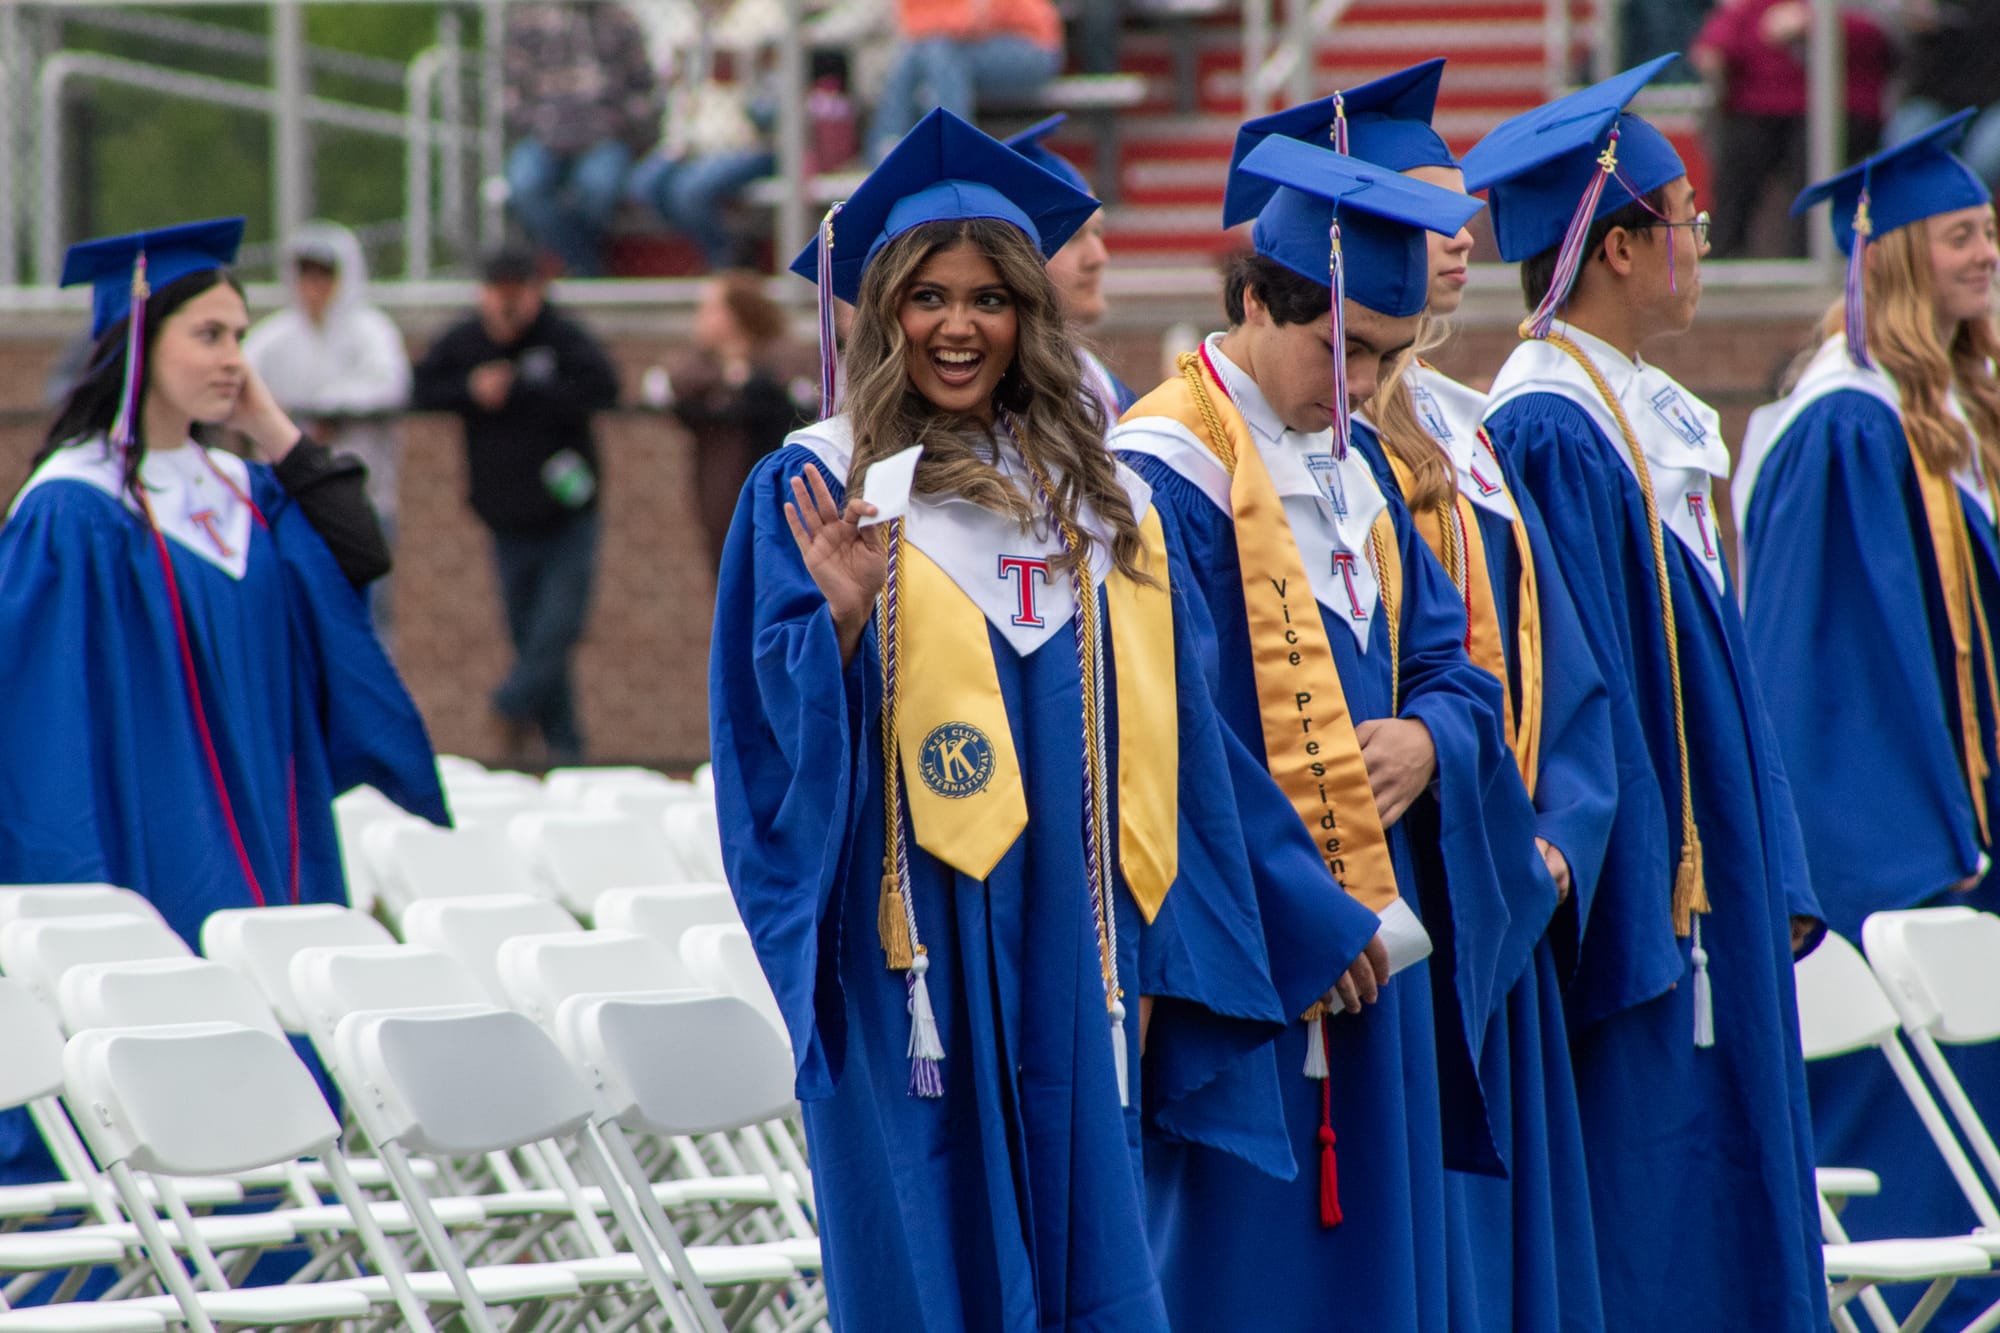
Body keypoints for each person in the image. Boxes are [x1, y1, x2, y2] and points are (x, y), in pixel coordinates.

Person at [708, 108, 1385, 1331]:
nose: (956, 326)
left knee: (1091, 1241)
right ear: (882, 312)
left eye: (985, 297)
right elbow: (761, 748)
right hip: (912, 950)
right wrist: (840, 626)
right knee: (935, 1235)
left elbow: (1182, 728)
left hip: (1080, 942)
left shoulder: (1098, 495)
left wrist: (1299, 903)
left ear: (1028, 312)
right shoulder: (817, 489)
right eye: (924, 298)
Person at [1113, 134, 1546, 1331]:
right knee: (1256, 1263)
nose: (1358, 385)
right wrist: (1309, 907)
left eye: (1387, 358)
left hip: (1378, 916)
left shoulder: (1354, 467)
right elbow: (1171, 740)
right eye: (1337, 348)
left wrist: (1428, 740)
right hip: (1259, 939)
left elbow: (1453, 667)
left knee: (1375, 1252)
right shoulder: (1161, 477)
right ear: (1256, 301)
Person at [1245, 60, 1616, 1332]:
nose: (1448, 240)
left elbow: (1542, 661)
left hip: (1480, 875)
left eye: (1455, 216)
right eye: (1413, 215)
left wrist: (1554, 827)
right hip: (1369, 899)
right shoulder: (1239, 463)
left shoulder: (1464, 433)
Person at [1462, 56, 1827, 1330]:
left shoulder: (1632, 412)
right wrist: (1653, 904)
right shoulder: (1552, 429)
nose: (1700, 248)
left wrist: (1761, 860)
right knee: (1654, 1192)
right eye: (1688, 225)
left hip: (1701, 872)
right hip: (1647, 899)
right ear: (1617, 247)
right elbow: (1585, 700)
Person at [0, 218, 446, 1175]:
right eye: (208, 335)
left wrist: (275, 430)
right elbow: (42, 737)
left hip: (267, 827)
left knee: (270, 1069)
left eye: (242, 336)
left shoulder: (243, 491)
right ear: (137, 343)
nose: (233, 360)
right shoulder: (73, 511)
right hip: (149, 839)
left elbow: (359, 554)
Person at [1738, 113, 2000, 1325]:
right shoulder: (1848, 423)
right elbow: (1828, 676)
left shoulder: (1944, 412)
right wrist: (1925, 854)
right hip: (1901, 857)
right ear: (1890, 256)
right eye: (1957, 234)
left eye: (1989, 227)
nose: (1985, 250)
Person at [411, 245, 620, 766]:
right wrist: (470, 388)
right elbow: (421, 387)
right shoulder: (466, 342)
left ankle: (511, 704)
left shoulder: (560, 338)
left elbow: (604, 387)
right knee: (530, 637)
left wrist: (527, 387)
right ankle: (562, 749)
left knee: (559, 625)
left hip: (568, 512)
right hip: (504, 517)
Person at [244, 221, 412, 634]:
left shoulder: (370, 332)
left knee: (365, 615)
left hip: (362, 501)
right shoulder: (274, 338)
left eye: (325, 274)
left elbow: (389, 386)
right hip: (286, 502)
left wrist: (327, 410)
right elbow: (236, 386)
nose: (314, 286)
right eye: (305, 274)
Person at [1690, 0, 1893, 257]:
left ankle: (1808, 258)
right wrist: (1714, 53)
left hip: (1837, 109)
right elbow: (1720, 39)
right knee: (1740, 154)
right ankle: (1721, 254)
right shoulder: (1751, 8)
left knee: (1811, 155)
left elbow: (1886, 37)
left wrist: (1817, 23)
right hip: (1759, 110)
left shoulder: (1851, 10)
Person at [662, 271, 815, 572]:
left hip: (781, 495)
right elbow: (674, 385)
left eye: (710, 310)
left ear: (736, 315)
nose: (701, 319)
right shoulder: (701, 365)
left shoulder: (780, 357)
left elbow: (798, 392)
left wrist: (744, 384)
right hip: (722, 496)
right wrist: (726, 382)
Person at [502, 0, 662, 277]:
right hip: (543, 138)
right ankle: (588, 268)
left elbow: (643, 88)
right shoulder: (528, 23)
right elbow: (511, 93)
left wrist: (621, 123)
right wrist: (538, 122)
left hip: (605, 138)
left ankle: (579, 267)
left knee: (598, 189)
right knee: (525, 187)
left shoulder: (620, 21)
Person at [1005, 115, 1137, 414]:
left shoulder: (1098, 385)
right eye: (1075, 237)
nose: (1099, 257)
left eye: (1098, 232)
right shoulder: (993, 400)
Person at [865, 0, 1063, 161]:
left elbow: (971, 19)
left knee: (936, 51)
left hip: (1029, 48)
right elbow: (912, 25)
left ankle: (947, 150)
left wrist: (938, 23)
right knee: (915, 54)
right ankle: (900, 149)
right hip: (962, 54)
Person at [1882, 0, 2000, 191]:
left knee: (1982, 163)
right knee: (1902, 154)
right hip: (1936, 96)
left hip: (1994, 101)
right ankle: (1923, 217)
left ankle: (1965, 215)